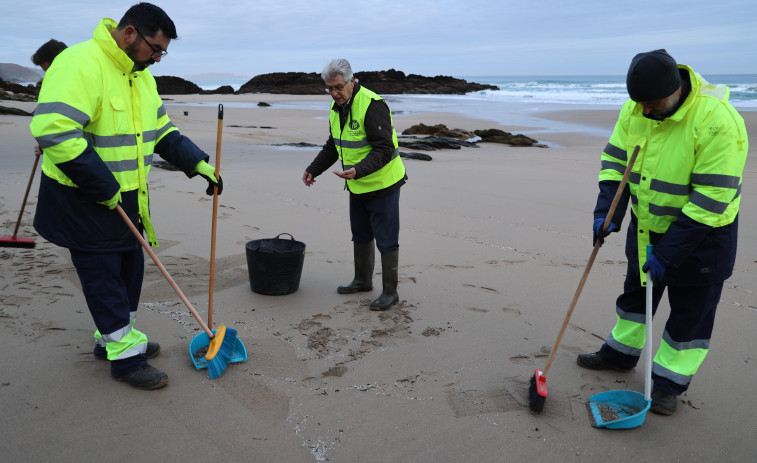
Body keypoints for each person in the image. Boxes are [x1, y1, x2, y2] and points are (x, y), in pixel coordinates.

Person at [29, 3, 223, 390]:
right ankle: (125, 359)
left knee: (130, 270)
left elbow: (162, 130)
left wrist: (196, 163)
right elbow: (53, 130)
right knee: (103, 276)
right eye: (155, 49)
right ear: (130, 33)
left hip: (130, 196)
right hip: (83, 197)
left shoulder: (142, 77)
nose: (158, 58)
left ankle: (111, 340)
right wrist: (101, 185)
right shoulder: (79, 63)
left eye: (163, 52)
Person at [577, 49, 748, 415]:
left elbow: (711, 201)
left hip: (704, 238)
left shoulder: (718, 122)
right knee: (636, 297)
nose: (645, 111)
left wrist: (667, 254)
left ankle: (669, 385)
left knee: (690, 314)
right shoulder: (636, 109)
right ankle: (620, 355)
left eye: (652, 103)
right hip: (646, 227)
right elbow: (616, 163)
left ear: (676, 90)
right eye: (639, 104)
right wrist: (607, 213)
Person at [302, 58, 407, 311]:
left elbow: (385, 148)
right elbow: (334, 144)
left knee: (386, 239)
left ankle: (390, 292)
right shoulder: (336, 107)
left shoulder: (372, 104)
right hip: (357, 184)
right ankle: (362, 280)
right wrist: (313, 169)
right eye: (329, 88)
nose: (334, 93)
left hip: (383, 184)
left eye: (338, 87)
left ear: (351, 81)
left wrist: (359, 170)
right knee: (360, 235)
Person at [31, 39, 68, 157]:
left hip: (65, 157)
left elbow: (61, 122)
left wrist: (43, 145)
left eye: (49, 70)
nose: (48, 74)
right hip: (55, 156)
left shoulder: (68, 84)